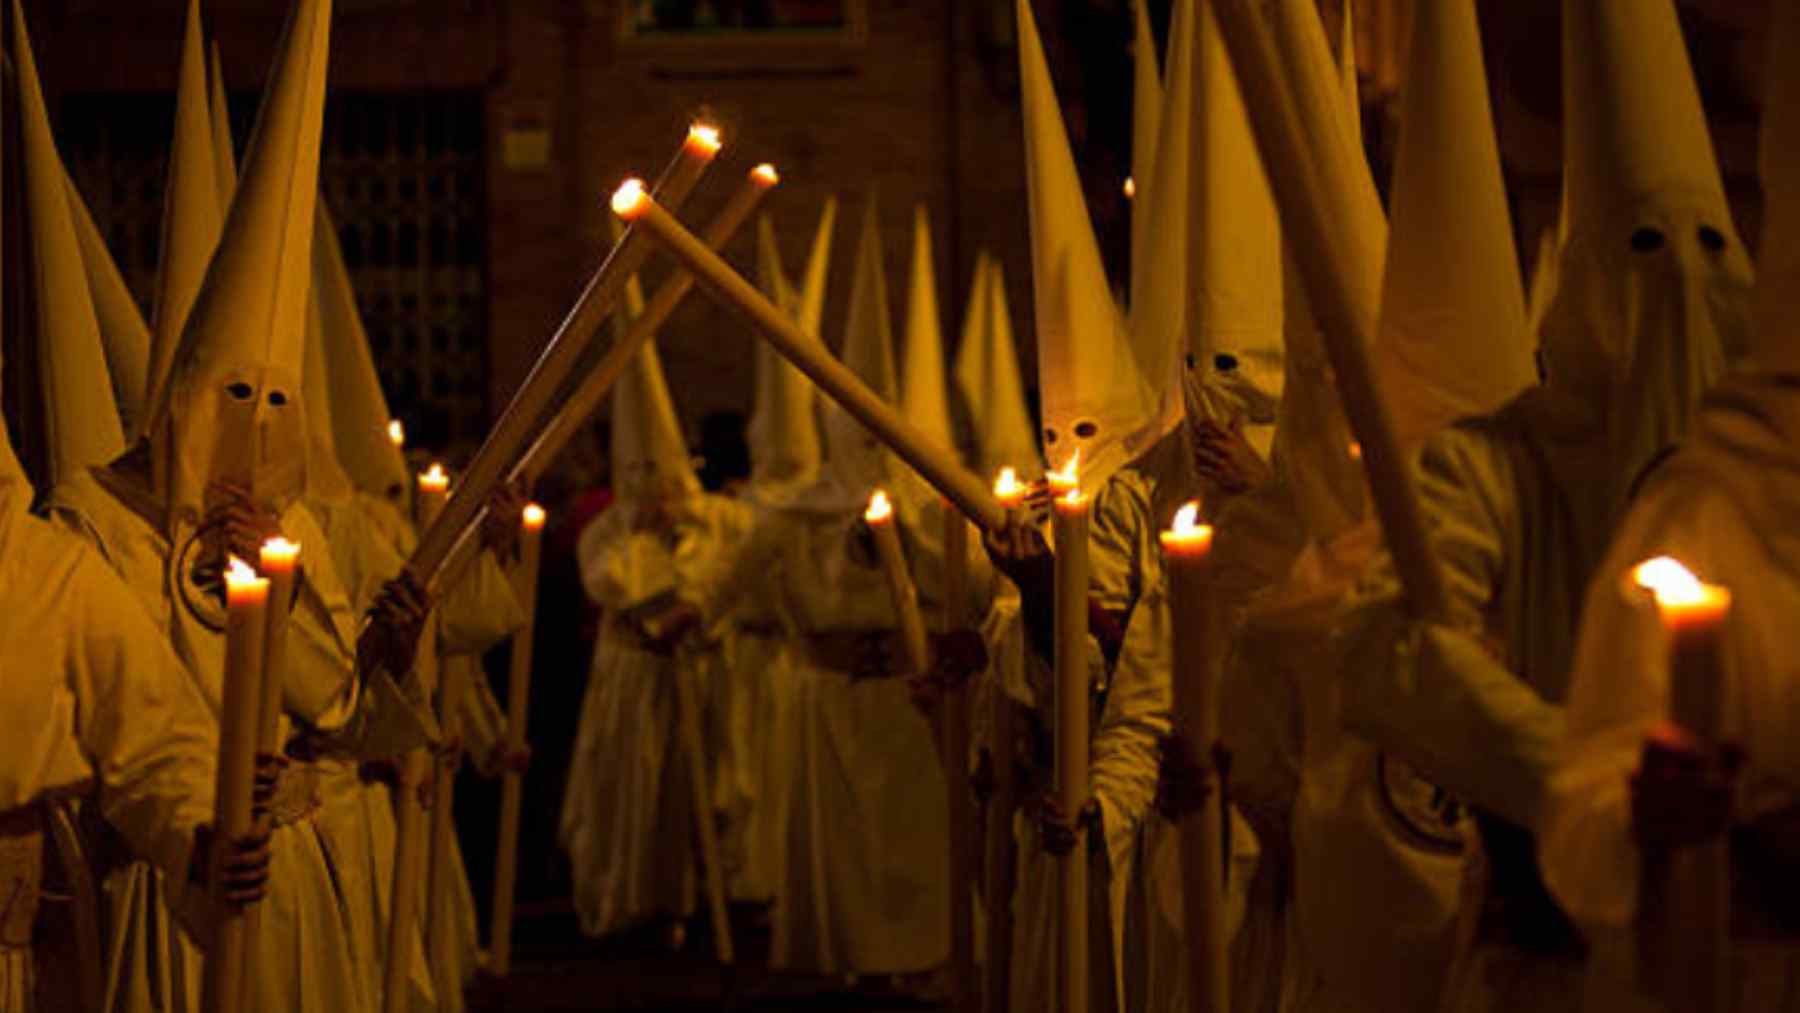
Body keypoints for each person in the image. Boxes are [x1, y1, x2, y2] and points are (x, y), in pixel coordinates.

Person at [1331, 1, 1754, 1009]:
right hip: (1545, 968)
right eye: (1646, 247)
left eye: (1706, 248)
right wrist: (1590, 788)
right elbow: (1391, 643)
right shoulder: (1497, 464)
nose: (1676, 289)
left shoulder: (1757, 471)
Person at [1539, 9, 1800, 1006]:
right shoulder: (1711, 506)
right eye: (1649, 248)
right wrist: (1658, 817)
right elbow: (1588, 798)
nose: (1677, 286)